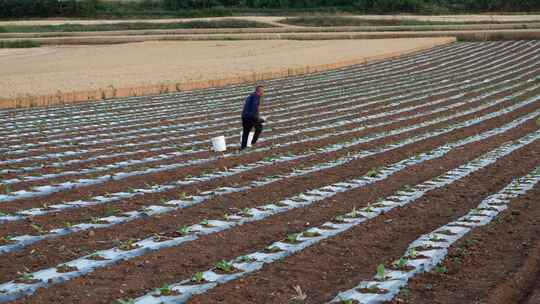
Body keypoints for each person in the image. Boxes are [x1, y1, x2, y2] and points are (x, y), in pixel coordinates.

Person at [241, 85, 265, 150]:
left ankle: (243, 147)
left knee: (246, 132)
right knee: (259, 127)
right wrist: (258, 118)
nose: (263, 92)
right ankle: (253, 142)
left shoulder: (250, 96)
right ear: (260, 91)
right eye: (263, 91)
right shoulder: (256, 97)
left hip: (244, 116)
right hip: (251, 116)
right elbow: (254, 107)